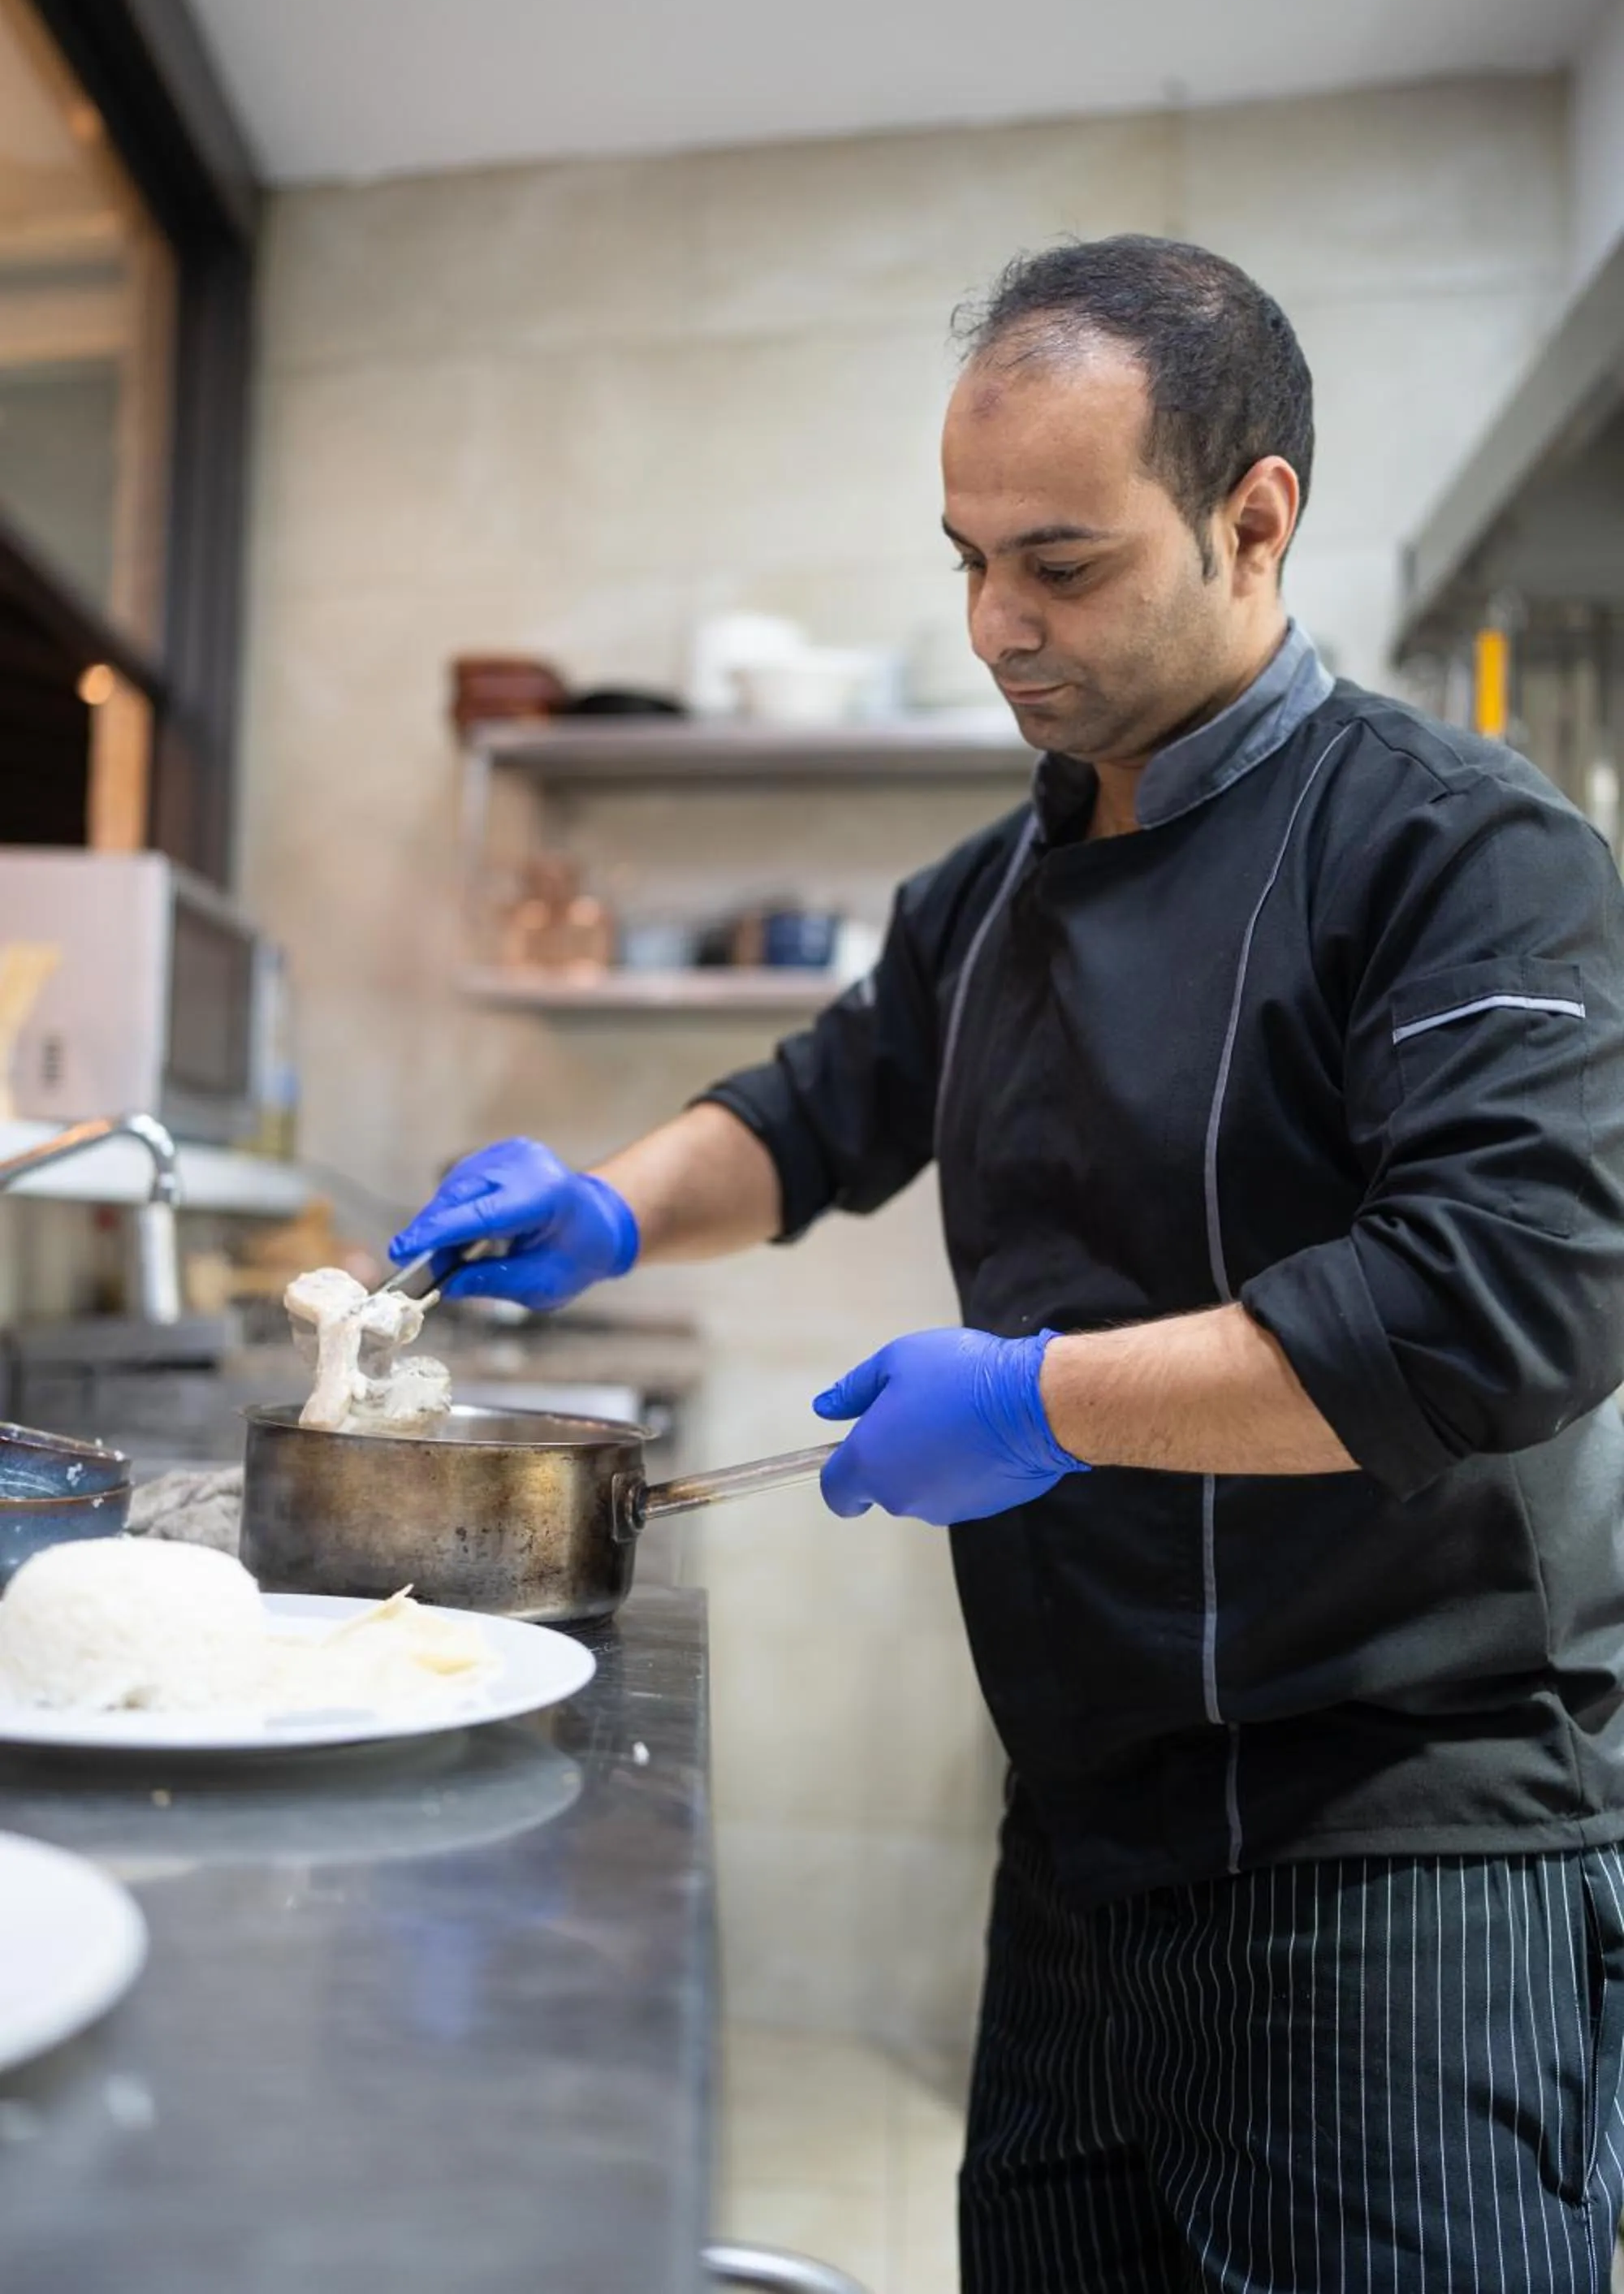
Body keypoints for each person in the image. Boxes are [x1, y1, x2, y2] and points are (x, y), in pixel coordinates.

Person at [393, 235, 1624, 2291]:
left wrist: (1047, 1403)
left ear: (1255, 518)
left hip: (1400, 1852)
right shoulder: (989, 892)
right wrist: (607, 1204)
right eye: (966, 558)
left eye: (1059, 565)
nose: (992, 625)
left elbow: (1505, 1302)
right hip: (1081, 1839)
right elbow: (815, 1108)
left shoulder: (1454, 853)